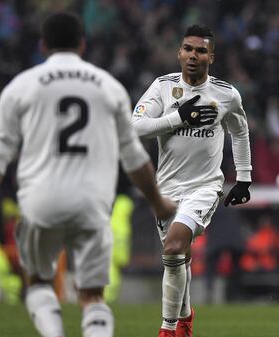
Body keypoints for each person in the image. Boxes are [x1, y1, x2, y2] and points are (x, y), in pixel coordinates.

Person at [0, 11, 176, 337]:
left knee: (39, 284)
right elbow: (135, 158)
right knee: (92, 296)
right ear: (82, 45)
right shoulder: (109, 88)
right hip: (92, 202)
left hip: (40, 200)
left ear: (42, 46)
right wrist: (158, 203)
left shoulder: (20, 87)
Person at [132, 24, 252, 337]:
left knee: (173, 248)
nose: (193, 55)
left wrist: (243, 177)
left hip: (205, 187)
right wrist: (177, 119)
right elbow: (135, 127)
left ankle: (168, 329)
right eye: (188, 49)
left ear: (211, 57)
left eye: (201, 51)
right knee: (178, 258)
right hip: (166, 189)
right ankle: (185, 320)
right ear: (179, 52)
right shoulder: (162, 87)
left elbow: (240, 131)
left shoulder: (225, 94)